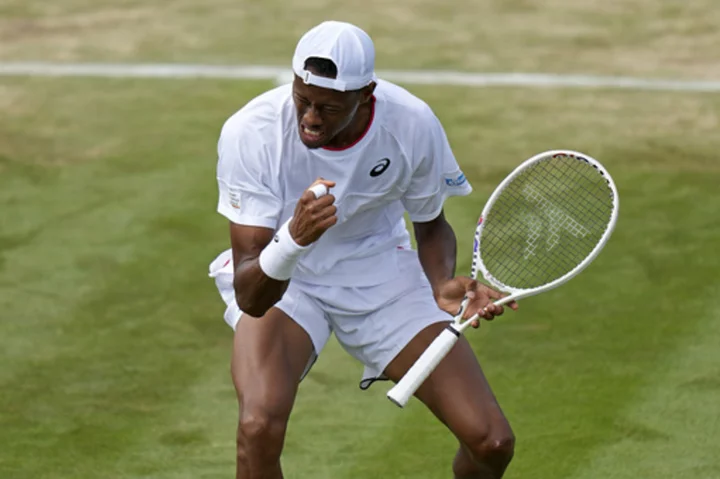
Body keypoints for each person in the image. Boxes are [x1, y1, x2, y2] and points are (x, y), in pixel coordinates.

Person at [208, 20, 519, 479]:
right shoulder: (250, 132)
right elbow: (252, 295)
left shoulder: (411, 123)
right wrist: (294, 238)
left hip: (380, 270)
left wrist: (441, 284)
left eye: (329, 108)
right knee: (258, 426)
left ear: (366, 94)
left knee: (492, 442)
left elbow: (430, 223)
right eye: (303, 100)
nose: (310, 118)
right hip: (284, 279)